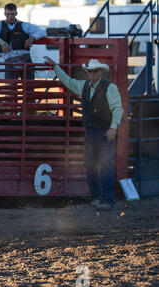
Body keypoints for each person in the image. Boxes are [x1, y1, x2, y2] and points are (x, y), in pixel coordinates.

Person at [44, 56, 123, 210]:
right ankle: (97, 198)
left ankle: (107, 199)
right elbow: (67, 81)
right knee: (91, 165)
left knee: (105, 165)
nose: (93, 74)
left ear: (100, 72)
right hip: (92, 130)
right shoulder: (84, 86)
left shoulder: (110, 87)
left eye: (95, 71)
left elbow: (117, 108)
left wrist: (113, 128)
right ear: (88, 72)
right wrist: (55, 67)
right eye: (90, 71)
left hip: (105, 130)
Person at [0, 3, 46, 80]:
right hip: (9, 60)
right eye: (8, 14)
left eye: (12, 14)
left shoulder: (24, 25)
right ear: (4, 14)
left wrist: (32, 38)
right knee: (11, 88)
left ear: (16, 13)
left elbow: (43, 32)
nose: (10, 17)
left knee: (29, 87)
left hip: (24, 59)